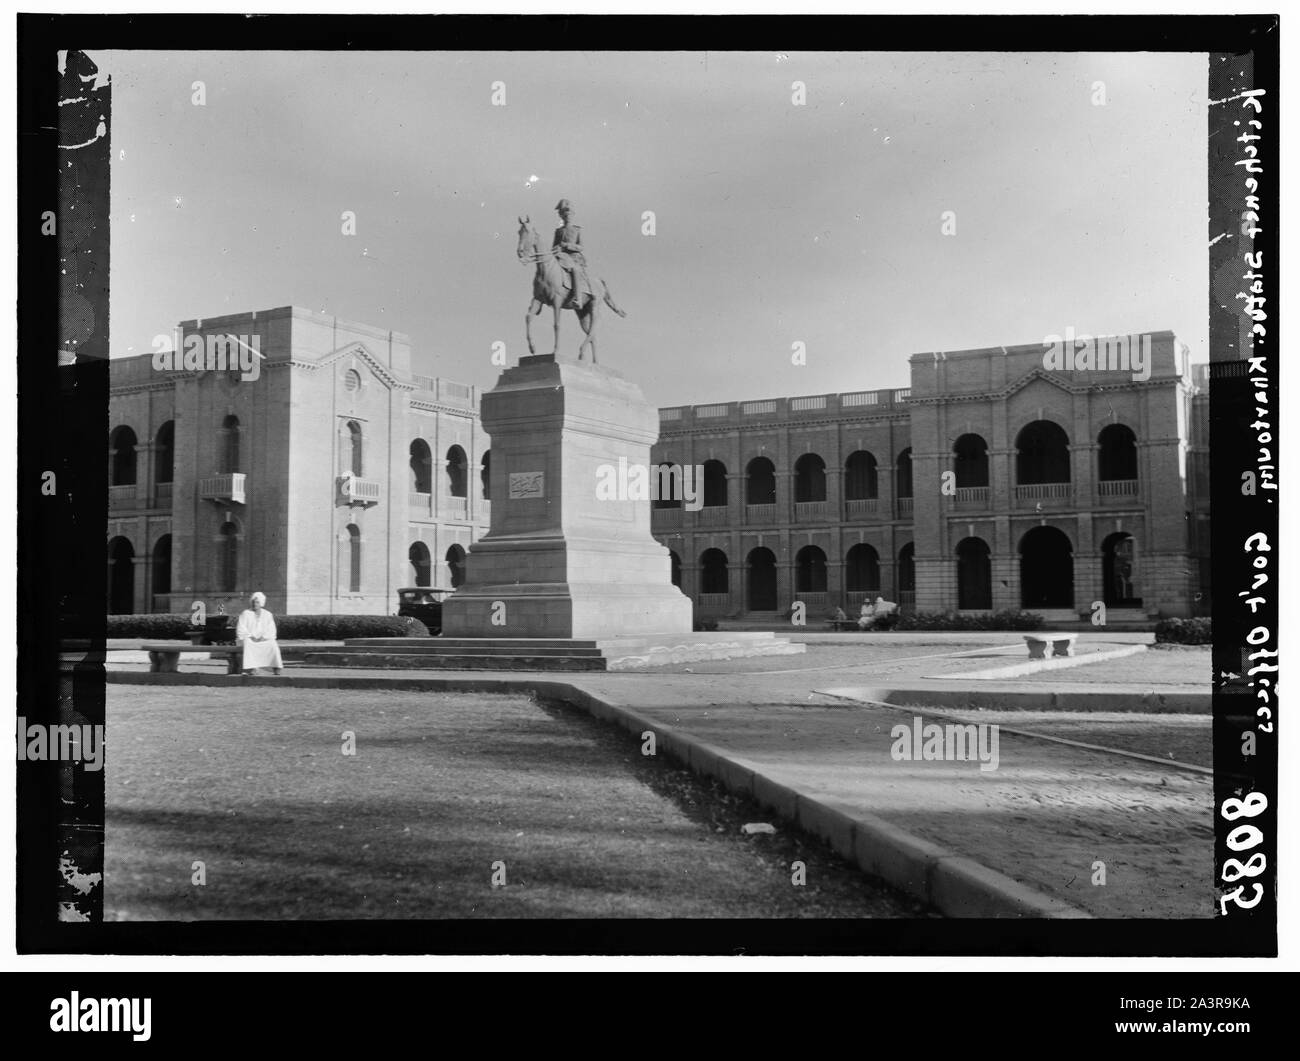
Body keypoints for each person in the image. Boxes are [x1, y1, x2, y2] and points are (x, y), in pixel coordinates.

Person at [552, 199, 589, 310]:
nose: (566, 217)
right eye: (564, 215)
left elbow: (581, 247)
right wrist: (556, 248)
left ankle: (578, 299)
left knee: (575, 270)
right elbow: (554, 246)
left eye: (568, 215)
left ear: (572, 216)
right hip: (560, 258)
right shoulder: (558, 231)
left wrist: (567, 245)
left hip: (574, 259)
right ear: (562, 217)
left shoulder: (577, 230)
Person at [235, 591, 283, 676]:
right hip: (249, 639)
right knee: (248, 643)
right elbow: (241, 629)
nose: (255, 604)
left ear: (261, 603)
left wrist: (263, 637)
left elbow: (271, 630)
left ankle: (276, 667)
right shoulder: (245, 613)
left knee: (272, 644)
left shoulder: (268, 615)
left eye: (257, 602)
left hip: (263, 639)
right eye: (253, 602)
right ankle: (252, 668)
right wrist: (250, 637)